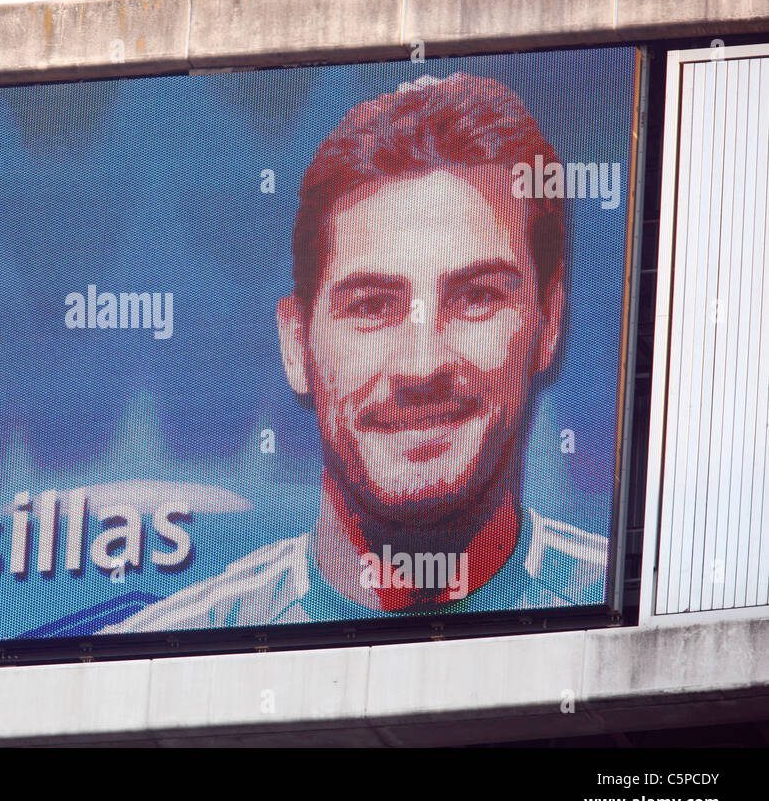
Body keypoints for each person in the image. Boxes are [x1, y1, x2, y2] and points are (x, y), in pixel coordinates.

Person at [103, 72, 608, 633]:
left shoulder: (622, 608)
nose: (422, 366)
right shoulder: (164, 657)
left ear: (549, 320)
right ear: (297, 345)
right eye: (371, 307)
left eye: (477, 297)